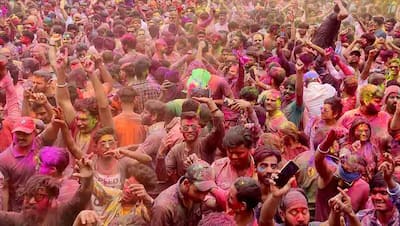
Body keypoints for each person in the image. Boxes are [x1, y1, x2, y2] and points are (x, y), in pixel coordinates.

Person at [0, 158, 94, 226]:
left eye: (39, 196)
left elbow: (80, 199)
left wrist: (87, 180)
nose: (31, 201)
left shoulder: (61, 215)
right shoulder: (18, 220)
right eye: (28, 196)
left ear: (51, 198)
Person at [160, 97, 224, 183]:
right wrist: (160, 155)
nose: (190, 131)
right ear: (181, 129)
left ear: (199, 128)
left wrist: (211, 104)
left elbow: (218, 129)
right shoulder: (176, 150)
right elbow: (163, 175)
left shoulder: (205, 144)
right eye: (186, 128)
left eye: (193, 127)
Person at [151, 161, 217, 226]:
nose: (202, 197)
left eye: (206, 192)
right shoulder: (163, 208)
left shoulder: (195, 195)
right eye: (198, 191)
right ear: (186, 183)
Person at [212, 125, 257, 191]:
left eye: (239, 153)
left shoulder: (259, 167)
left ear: (250, 149)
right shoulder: (217, 167)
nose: (234, 157)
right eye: (230, 152)